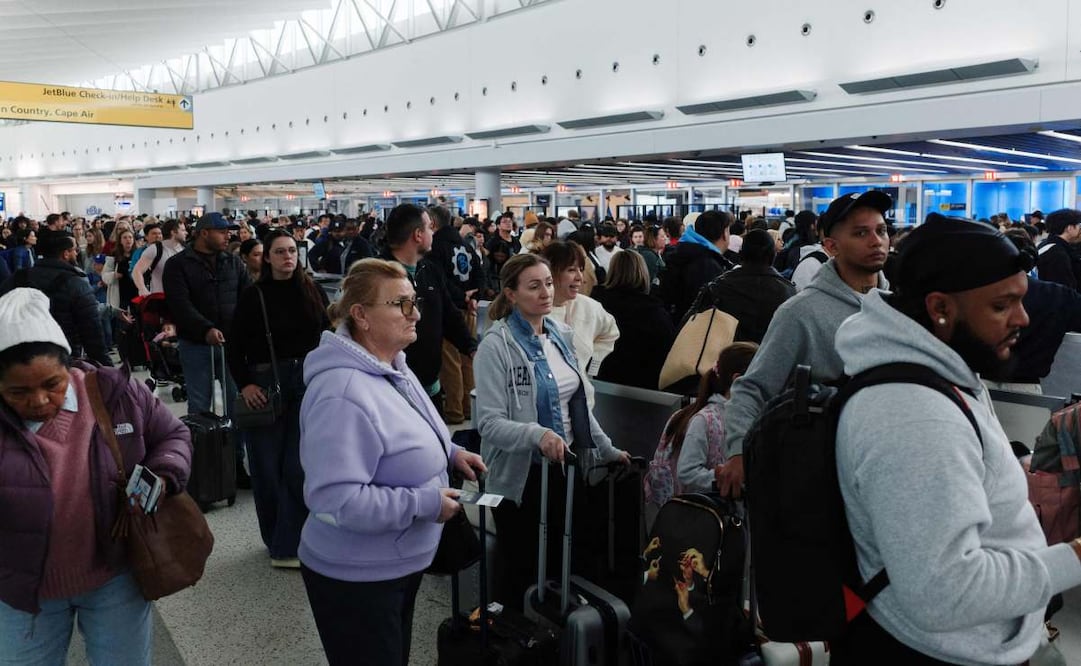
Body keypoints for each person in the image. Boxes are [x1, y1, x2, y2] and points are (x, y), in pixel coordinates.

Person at [829, 213, 1081, 664]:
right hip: (936, 652)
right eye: (1002, 305)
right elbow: (945, 592)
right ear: (940, 307)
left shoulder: (938, 373)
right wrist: (1074, 557)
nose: (1023, 318)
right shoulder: (914, 416)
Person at [298, 258, 486, 666]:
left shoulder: (393, 366)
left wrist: (451, 453)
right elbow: (338, 500)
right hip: (357, 576)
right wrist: (426, 503)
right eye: (401, 304)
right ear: (361, 316)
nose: (415, 313)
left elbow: (410, 429)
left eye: (413, 301)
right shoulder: (342, 393)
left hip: (394, 563)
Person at [0, 288, 192, 664]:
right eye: (17, 392)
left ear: (68, 367)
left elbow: (172, 434)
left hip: (115, 575)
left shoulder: (112, 393)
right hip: (23, 589)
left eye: (52, 384)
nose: (38, 401)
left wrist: (165, 474)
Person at [474, 253, 629, 611]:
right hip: (520, 478)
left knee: (564, 563)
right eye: (533, 286)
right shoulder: (495, 347)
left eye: (547, 282)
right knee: (521, 567)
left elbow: (577, 404)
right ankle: (512, 636)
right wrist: (537, 435)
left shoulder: (561, 334)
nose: (546, 292)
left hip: (564, 468)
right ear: (511, 294)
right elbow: (490, 423)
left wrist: (606, 449)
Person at [716, 191, 892, 498]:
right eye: (861, 233)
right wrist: (738, 451)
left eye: (881, 230)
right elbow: (753, 387)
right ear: (831, 246)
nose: (876, 240)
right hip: (826, 478)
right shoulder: (801, 313)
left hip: (888, 469)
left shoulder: (898, 307)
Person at [228, 229, 329, 569]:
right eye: (280, 252)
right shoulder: (253, 296)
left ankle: (291, 541)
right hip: (265, 381)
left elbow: (326, 333)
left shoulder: (311, 290)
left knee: (299, 463)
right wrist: (244, 385)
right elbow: (234, 346)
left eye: (292, 251)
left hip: (307, 380)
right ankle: (277, 538)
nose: (288, 257)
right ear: (266, 258)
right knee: (267, 464)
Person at [162, 212, 251, 485]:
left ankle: (235, 464)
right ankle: (201, 466)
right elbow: (180, 305)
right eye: (222, 231)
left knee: (236, 405)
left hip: (231, 345)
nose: (228, 236)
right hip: (196, 344)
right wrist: (205, 329)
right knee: (200, 407)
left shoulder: (233, 263)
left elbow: (246, 297)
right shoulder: (178, 265)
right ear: (203, 233)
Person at [378, 204, 477, 416]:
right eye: (429, 229)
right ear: (418, 235)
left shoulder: (429, 269)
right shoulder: (378, 275)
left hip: (430, 388)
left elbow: (449, 315)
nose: (433, 233)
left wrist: (471, 348)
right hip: (392, 390)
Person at [645, 342, 758, 508]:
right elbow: (687, 473)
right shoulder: (705, 420)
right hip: (702, 521)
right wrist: (727, 478)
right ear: (738, 381)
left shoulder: (748, 420)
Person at [0, 232, 112, 367]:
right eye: (74, 250)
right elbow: (92, 332)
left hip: (18, 362)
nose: (76, 253)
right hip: (64, 360)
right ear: (65, 254)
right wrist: (106, 369)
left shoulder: (18, 278)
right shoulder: (76, 283)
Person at [542, 241, 620, 406]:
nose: (580, 278)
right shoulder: (533, 311)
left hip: (582, 408)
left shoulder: (589, 307)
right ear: (549, 272)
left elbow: (610, 332)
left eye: (581, 270)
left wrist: (593, 365)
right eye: (571, 270)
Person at [426, 205, 484, 425]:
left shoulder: (435, 247)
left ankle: (454, 410)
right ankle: (469, 407)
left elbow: (440, 281)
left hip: (449, 310)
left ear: (432, 222)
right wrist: (474, 297)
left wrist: (461, 298)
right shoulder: (465, 245)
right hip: (470, 309)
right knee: (467, 359)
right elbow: (480, 272)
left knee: (449, 363)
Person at [592, 250, 676, 390]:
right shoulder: (654, 313)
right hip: (645, 392)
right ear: (643, 273)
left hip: (601, 384)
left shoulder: (596, 305)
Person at [704, 229, 797, 344]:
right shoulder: (788, 291)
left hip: (726, 355)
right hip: (770, 356)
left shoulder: (720, 286)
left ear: (741, 253)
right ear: (773, 254)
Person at [660, 210, 735, 324]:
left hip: (675, 328)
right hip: (695, 333)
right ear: (724, 233)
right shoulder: (708, 265)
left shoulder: (684, 253)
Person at [133, 218, 187, 297]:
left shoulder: (186, 249)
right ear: (173, 232)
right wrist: (142, 289)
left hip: (184, 299)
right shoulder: (154, 249)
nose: (186, 233)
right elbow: (137, 271)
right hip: (161, 299)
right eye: (183, 230)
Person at [1035, 208, 1081, 290]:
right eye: (1078, 226)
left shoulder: (1046, 244)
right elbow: (1064, 291)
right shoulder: (1057, 254)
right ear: (1069, 228)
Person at [102, 228, 139, 314]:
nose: (128, 240)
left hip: (136, 291)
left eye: (130, 237)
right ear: (120, 241)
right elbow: (104, 275)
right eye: (125, 238)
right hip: (120, 292)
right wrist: (114, 275)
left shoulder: (138, 254)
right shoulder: (113, 255)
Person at [636, 223, 668, 292]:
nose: (665, 238)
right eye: (662, 236)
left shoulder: (656, 253)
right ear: (654, 239)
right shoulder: (649, 256)